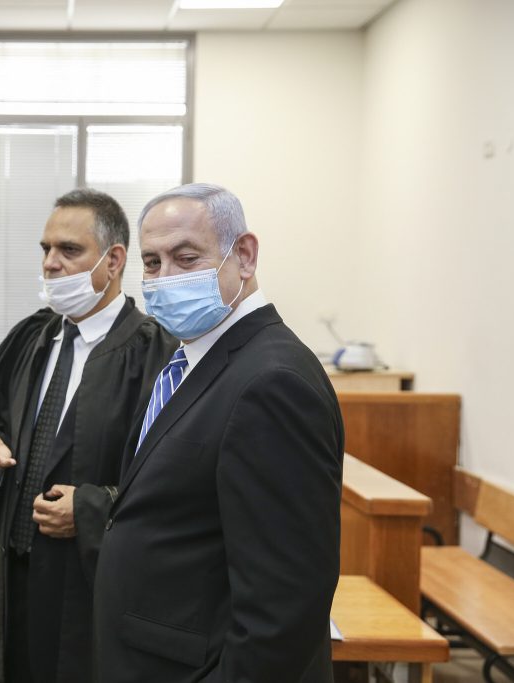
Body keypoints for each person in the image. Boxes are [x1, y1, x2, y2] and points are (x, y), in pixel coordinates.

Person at [93, 183, 344, 683]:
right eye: (152, 263)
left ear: (244, 256)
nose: (165, 278)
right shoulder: (189, 358)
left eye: (186, 258)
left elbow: (284, 608)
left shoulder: (272, 381)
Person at [0, 189, 178, 683]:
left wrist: (93, 510)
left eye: (69, 250)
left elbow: (173, 486)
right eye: (46, 249)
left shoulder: (155, 355)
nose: (51, 263)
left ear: (114, 260)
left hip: (90, 594)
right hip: (10, 585)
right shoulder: (29, 338)